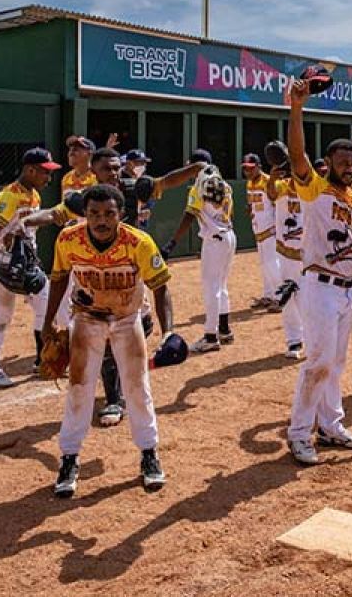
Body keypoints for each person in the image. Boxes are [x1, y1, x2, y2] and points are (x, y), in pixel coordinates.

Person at [20, 147, 205, 426]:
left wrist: (196, 169)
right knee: (105, 336)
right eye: (108, 168)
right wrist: (26, 222)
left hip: (130, 269)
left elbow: (167, 181)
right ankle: (114, 399)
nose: (115, 172)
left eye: (117, 167)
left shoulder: (134, 188)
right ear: (94, 172)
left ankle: (127, 383)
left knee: (140, 327)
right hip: (95, 272)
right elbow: (55, 214)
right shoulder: (86, 200)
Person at [41, 184, 171, 497]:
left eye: (109, 213)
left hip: (127, 320)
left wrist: (168, 332)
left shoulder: (138, 242)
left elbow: (161, 286)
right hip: (87, 320)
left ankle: (149, 454)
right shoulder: (68, 239)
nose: (101, 220)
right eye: (94, 213)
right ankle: (69, 459)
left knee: (137, 387)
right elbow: (58, 278)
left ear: (121, 214)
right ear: (84, 214)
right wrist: (48, 322)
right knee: (79, 389)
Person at [284, 77, 352, 465]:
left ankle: (330, 426)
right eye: (343, 164)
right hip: (319, 286)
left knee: (336, 364)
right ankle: (298, 434)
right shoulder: (314, 189)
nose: (349, 168)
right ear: (329, 165)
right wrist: (297, 108)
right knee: (318, 362)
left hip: (347, 288)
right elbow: (297, 157)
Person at [0, 148, 61, 387]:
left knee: (45, 306)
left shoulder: (35, 195)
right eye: (44, 172)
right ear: (29, 170)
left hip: (27, 264)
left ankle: (41, 361)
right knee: (1, 314)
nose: (48, 178)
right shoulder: (8, 196)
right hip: (3, 265)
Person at [164, 150, 236, 353]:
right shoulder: (225, 184)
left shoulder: (198, 185)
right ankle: (224, 329)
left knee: (211, 288)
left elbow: (189, 215)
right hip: (229, 235)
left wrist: (172, 243)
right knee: (221, 285)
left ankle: (211, 336)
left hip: (214, 240)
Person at [267, 164, 306, 359]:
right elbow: (272, 194)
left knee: (309, 297)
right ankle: (294, 340)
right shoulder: (282, 186)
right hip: (286, 252)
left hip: (308, 253)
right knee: (288, 296)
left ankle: (311, 337)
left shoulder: (312, 187)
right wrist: (272, 178)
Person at [243, 152, 282, 311]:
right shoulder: (249, 183)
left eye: (251, 168)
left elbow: (277, 204)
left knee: (273, 265)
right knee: (265, 265)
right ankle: (268, 295)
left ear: (259, 167)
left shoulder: (268, 181)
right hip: (258, 228)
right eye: (245, 168)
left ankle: (280, 298)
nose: (248, 172)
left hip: (270, 229)